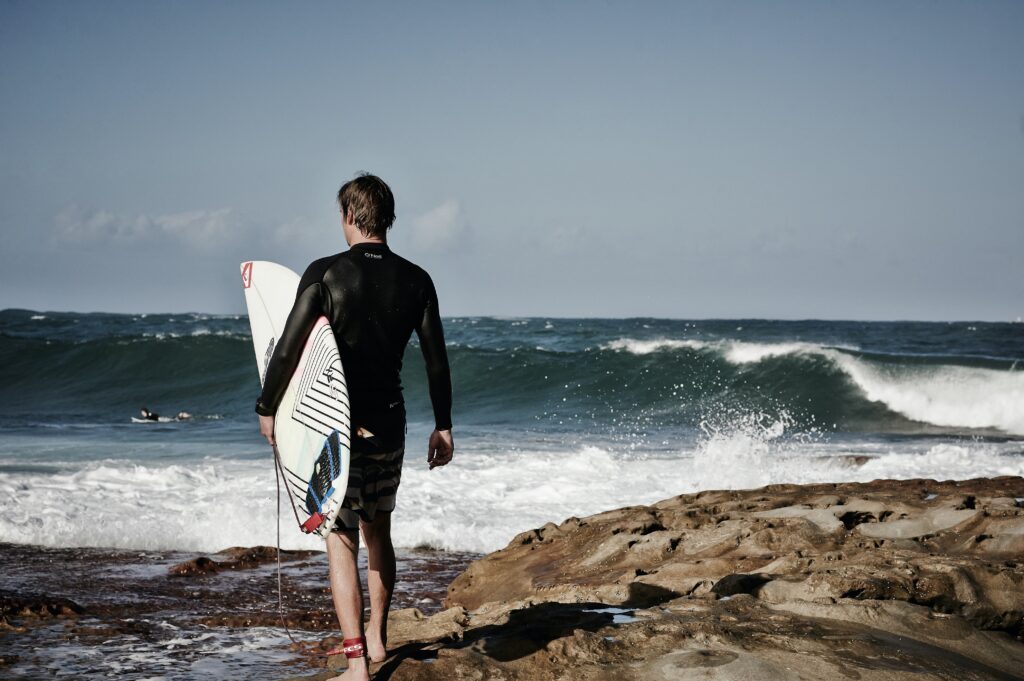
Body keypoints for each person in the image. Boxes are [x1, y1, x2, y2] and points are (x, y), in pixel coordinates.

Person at [254, 173, 454, 681]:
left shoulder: (325, 274)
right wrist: (444, 426)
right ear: (387, 218)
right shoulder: (417, 280)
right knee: (378, 531)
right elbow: (436, 361)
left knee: (340, 538)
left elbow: (289, 349)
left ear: (348, 216)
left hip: (333, 430)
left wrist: (267, 406)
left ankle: (357, 665)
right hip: (390, 426)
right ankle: (379, 638)